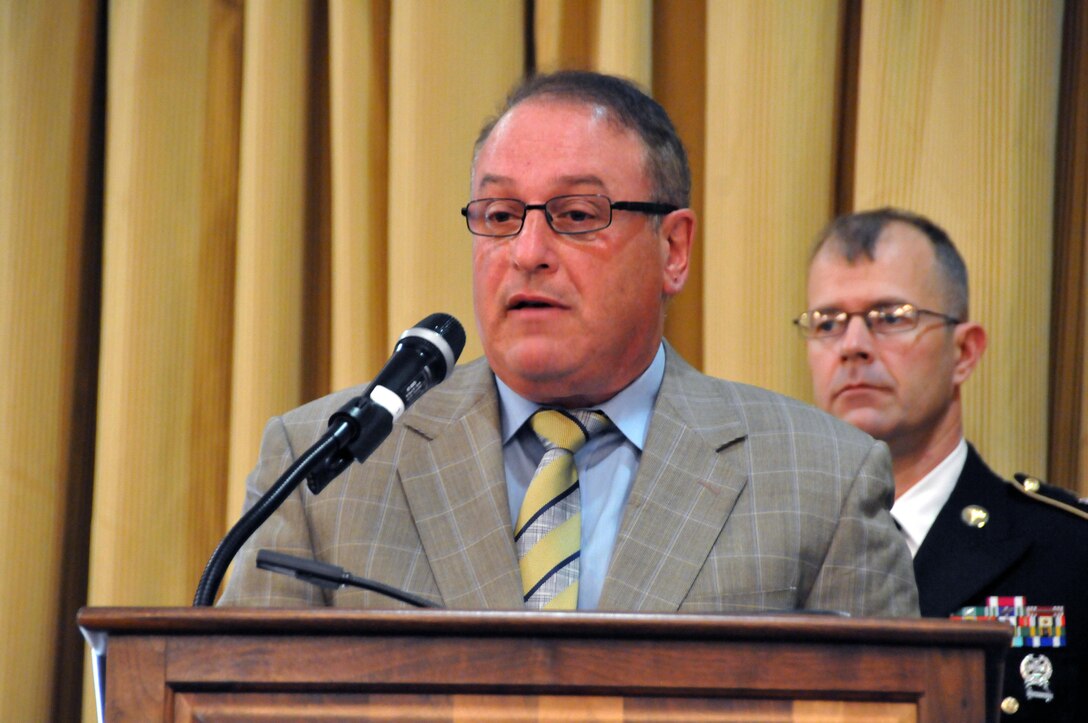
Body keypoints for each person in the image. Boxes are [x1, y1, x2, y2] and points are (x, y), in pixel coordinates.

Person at [220, 70, 917, 618]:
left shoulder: (821, 483)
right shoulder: (322, 469)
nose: (526, 252)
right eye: (499, 215)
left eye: (576, 215)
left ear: (673, 249)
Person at [799, 207, 1088, 721]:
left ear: (964, 352)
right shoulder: (775, 547)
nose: (853, 346)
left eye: (891, 317)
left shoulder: (1067, 552)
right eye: (828, 323)